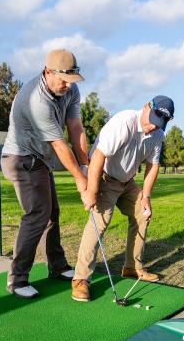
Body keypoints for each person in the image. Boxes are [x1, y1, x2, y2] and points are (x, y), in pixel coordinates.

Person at [1, 49, 89, 299]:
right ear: (47, 72)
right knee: (37, 214)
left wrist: (85, 166)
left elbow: (75, 127)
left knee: (52, 212)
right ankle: (17, 279)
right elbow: (59, 145)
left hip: (39, 159)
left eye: (71, 80)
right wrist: (81, 181)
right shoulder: (35, 100)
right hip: (20, 158)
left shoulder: (70, 89)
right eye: (62, 79)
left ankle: (57, 267)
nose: (67, 85)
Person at [71, 95, 175, 302]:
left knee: (142, 214)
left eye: (159, 124)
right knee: (99, 222)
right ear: (146, 107)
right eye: (152, 120)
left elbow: (152, 165)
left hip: (127, 182)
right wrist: (91, 190)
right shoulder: (124, 122)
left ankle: (132, 268)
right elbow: (99, 155)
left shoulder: (157, 135)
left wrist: (146, 197)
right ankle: (80, 279)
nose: (152, 127)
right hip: (105, 177)